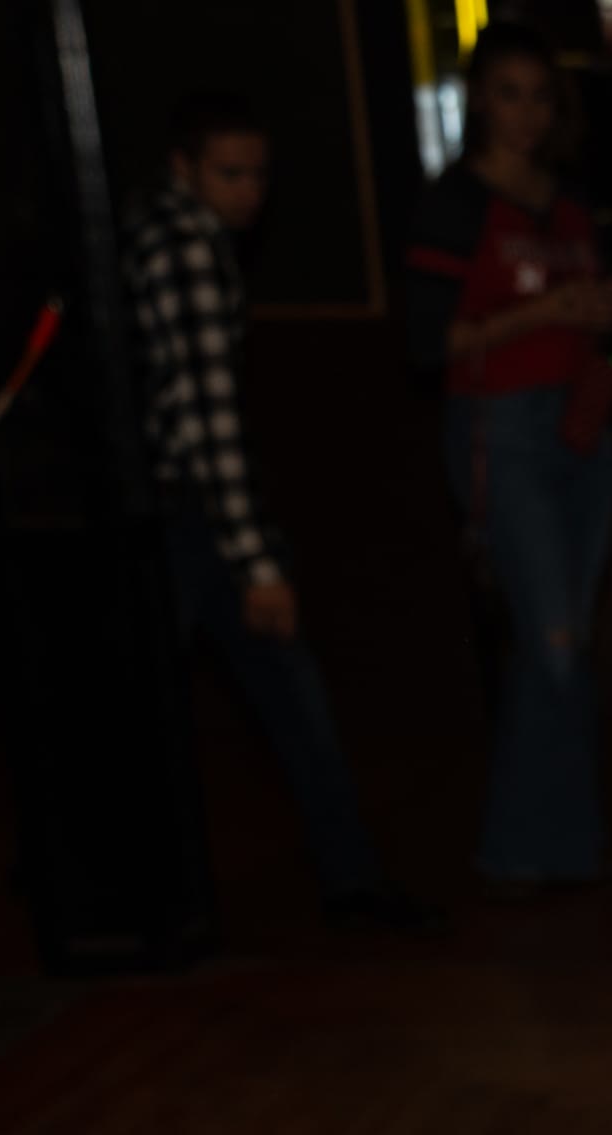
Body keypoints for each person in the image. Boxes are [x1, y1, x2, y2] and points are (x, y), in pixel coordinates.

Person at [121, 91, 439, 933]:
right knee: (281, 696)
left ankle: (341, 877)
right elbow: (208, 418)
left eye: (259, 174)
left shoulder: (150, 228)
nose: (248, 192)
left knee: (171, 703)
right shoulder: (189, 248)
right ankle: (344, 882)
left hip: (172, 510)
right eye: (229, 173)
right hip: (192, 514)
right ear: (184, 167)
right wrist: (254, 559)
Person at [403, 26, 612, 897]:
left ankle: (561, 843)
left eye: (540, 95)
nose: (527, 113)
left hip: (580, 426)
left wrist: (600, 308)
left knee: (566, 640)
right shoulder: (454, 203)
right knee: (553, 640)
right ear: (477, 100)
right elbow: (430, 342)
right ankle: (524, 846)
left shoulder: (566, 203)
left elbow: (577, 303)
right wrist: (546, 314)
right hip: (503, 430)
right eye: (509, 93)